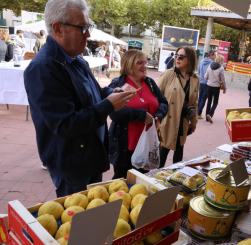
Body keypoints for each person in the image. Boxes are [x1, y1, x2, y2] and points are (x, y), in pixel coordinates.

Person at [24, 0, 136, 197]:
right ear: (58, 29)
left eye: (88, 27)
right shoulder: (44, 68)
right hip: (72, 164)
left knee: (92, 214)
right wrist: (109, 105)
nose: (88, 35)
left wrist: (110, 94)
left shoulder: (76, 59)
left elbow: (91, 95)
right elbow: (65, 124)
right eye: (82, 28)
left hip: (90, 156)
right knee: (76, 222)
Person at [108, 50, 168, 178]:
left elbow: (163, 102)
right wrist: (140, 115)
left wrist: (159, 116)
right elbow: (114, 113)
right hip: (125, 146)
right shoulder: (118, 84)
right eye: (139, 63)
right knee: (122, 181)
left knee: (142, 181)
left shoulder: (150, 83)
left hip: (147, 144)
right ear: (129, 64)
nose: (144, 66)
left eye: (145, 62)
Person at [158, 46, 199, 167]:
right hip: (167, 120)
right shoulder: (168, 74)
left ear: (190, 59)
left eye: (181, 56)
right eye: (176, 55)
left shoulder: (195, 79)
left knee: (179, 151)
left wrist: (193, 122)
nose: (177, 58)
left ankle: (175, 178)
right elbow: (156, 97)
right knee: (163, 151)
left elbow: (194, 103)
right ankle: (156, 180)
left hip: (183, 120)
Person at [204, 55, 227, 124]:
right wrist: (225, 88)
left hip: (209, 86)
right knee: (215, 102)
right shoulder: (221, 68)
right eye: (223, 60)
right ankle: (210, 114)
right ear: (220, 60)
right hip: (216, 87)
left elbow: (205, 76)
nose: (223, 61)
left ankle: (206, 117)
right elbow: (223, 79)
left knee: (209, 101)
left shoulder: (210, 66)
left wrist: (210, 80)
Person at [196, 50, 216, 119]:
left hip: (201, 82)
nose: (215, 57)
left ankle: (196, 112)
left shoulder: (201, 61)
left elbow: (198, 71)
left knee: (200, 98)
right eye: (214, 55)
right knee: (204, 99)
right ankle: (198, 113)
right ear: (211, 55)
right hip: (207, 83)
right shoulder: (212, 63)